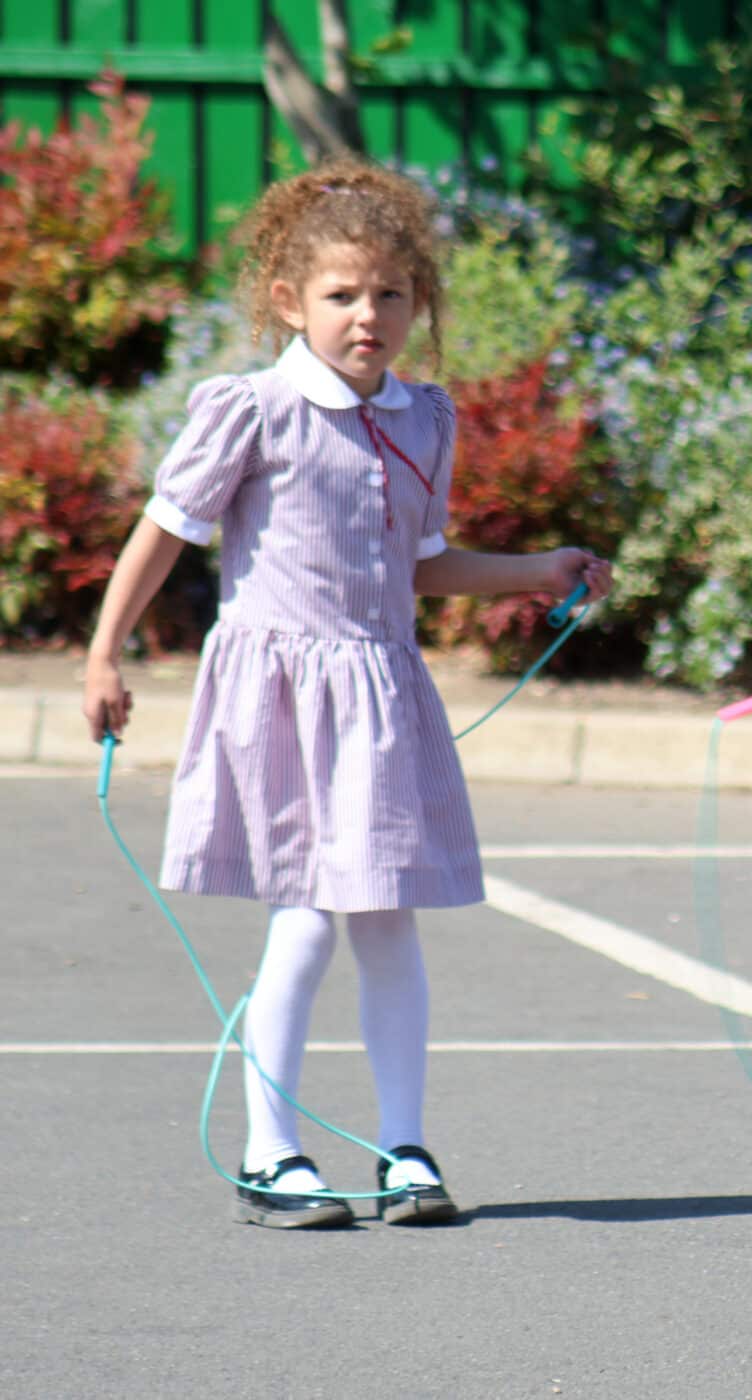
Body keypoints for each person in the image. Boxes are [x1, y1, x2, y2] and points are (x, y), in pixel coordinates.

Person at [81, 158, 612, 1225]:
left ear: (418, 302)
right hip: (280, 691)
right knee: (309, 919)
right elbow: (165, 532)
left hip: (377, 693)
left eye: (389, 295)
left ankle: (404, 1146)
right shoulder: (253, 408)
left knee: (386, 923)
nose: (367, 316)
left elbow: (419, 560)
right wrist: (105, 653)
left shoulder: (424, 418)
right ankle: (268, 1148)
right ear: (290, 301)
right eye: (341, 295)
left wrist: (535, 566)